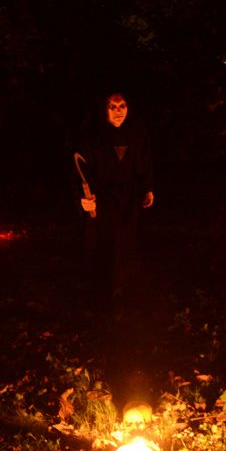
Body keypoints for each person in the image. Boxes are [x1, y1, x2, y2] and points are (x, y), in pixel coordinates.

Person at [74, 91, 155, 316]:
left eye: (122, 106)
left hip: (129, 198)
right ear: (104, 109)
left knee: (128, 242)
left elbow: (145, 161)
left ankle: (127, 293)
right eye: (113, 107)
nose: (118, 111)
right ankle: (103, 296)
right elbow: (79, 169)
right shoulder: (93, 136)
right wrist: (84, 198)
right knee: (105, 243)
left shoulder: (137, 133)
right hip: (103, 198)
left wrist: (148, 187)